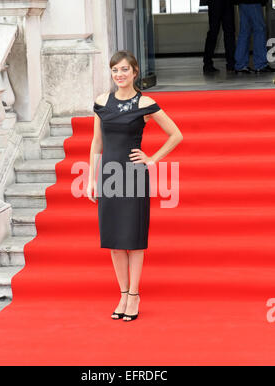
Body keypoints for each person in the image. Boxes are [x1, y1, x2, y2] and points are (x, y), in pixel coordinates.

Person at [88, 50, 183, 322]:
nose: (119, 75)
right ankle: (122, 292)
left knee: (134, 238)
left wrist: (152, 158)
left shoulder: (146, 103)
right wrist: (92, 179)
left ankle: (134, 295)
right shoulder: (102, 102)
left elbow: (176, 134)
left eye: (124, 70)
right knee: (115, 241)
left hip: (133, 177)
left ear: (135, 72)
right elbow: (97, 142)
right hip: (108, 176)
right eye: (115, 70)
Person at [234, 0, 275, 73]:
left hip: (242, 2)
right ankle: (260, 64)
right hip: (253, 2)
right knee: (260, 30)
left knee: (244, 31)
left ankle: (240, 64)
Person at [201, 0, 236, 73]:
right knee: (215, 32)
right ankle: (208, 64)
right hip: (216, 2)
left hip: (225, 3)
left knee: (229, 32)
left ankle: (231, 63)